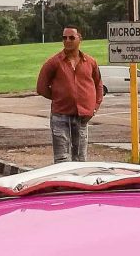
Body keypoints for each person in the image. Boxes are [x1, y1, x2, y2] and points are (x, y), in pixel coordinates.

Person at [35, 27, 103, 162]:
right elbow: (41, 88)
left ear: (79, 39)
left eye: (71, 37)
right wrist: (60, 97)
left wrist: (94, 107)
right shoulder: (53, 62)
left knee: (80, 157)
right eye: (64, 38)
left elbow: (98, 85)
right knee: (62, 158)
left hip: (82, 116)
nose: (67, 41)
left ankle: (78, 182)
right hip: (60, 116)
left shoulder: (90, 62)